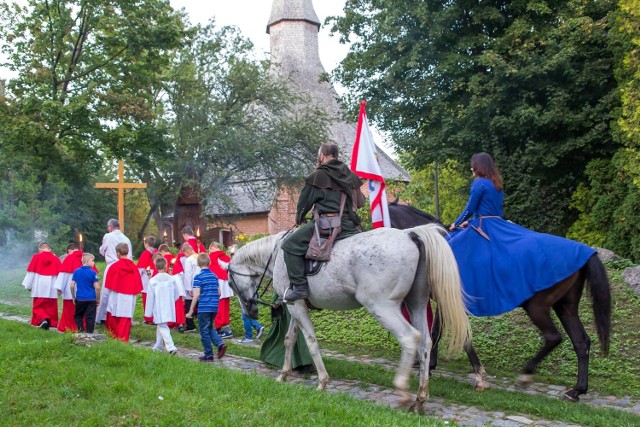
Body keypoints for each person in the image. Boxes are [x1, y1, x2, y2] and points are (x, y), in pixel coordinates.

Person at [447, 152, 596, 316]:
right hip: (496, 223)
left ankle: (461, 295)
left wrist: (457, 223)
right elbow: (492, 210)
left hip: (485, 225)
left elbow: (471, 207)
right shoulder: (496, 183)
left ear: (478, 166)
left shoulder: (479, 183)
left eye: (473, 165)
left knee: (452, 245)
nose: (471, 168)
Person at [281, 142, 365, 303]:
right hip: (350, 226)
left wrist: (299, 218)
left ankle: (299, 287)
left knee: (289, 245)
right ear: (336, 155)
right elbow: (360, 203)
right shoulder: (351, 175)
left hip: (326, 225)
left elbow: (304, 203)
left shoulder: (318, 175)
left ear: (322, 156)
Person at [187, 253, 227, 362]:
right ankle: (220, 344)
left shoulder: (198, 277)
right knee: (209, 327)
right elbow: (219, 292)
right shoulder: (214, 276)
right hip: (214, 307)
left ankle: (208, 355)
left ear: (198, 264)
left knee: (204, 331)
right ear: (209, 263)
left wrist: (191, 310)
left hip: (204, 307)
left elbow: (196, 294)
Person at [259, 293, 313, 372]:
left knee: (296, 334)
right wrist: (275, 301)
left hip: (291, 305)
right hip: (288, 306)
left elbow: (283, 288)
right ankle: (276, 358)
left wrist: (276, 301)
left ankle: (302, 363)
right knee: (285, 333)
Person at [103, 242, 143, 342]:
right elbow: (137, 284)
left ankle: (114, 338)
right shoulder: (134, 267)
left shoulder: (113, 267)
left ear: (118, 254)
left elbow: (108, 286)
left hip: (116, 295)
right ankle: (124, 339)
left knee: (115, 317)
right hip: (129, 297)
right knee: (125, 318)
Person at [96, 219, 133, 323]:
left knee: (107, 292)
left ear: (110, 227)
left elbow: (102, 250)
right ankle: (121, 314)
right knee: (121, 291)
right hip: (125, 266)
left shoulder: (108, 236)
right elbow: (129, 255)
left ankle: (103, 316)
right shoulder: (126, 239)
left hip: (112, 265)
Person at [145, 257, 183, 354]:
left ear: (155, 267)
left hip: (158, 306)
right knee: (161, 325)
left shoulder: (152, 281)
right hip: (168, 305)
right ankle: (158, 346)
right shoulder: (171, 279)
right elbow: (176, 293)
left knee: (162, 325)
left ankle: (171, 347)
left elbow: (150, 297)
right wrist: (171, 301)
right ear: (166, 266)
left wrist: (148, 312)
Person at [22, 242, 61, 329]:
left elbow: (31, 272)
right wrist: (59, 288)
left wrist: (28, 285)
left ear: (40, 249)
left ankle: (43, 320)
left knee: (38, 305)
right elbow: (60, 274)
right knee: (51, 305)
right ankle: (52, 322)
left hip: (39, 284)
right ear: (49, 249)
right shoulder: (56, 258)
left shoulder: (36, 257)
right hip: (52, 285)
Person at [54, 243, 84, 332]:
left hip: (70, 288)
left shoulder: (69, 258)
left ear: (69, 250)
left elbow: (63, 274)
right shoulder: (86, 257)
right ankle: (81, 327)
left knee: (69, 309)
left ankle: (68, 327)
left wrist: (59, 288)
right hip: (83, 289)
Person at [70, 253, 100, 333]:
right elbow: (97, 287)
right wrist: (98, 298)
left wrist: (73, 297)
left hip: (80, 298)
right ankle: (90, 333)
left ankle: (80, 330)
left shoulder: (76, 272)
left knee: (78, 315)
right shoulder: (93, 273)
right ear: (87, 261)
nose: (94, 263)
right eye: (92, 260)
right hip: (91, 298)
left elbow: (72, 286)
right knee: (90, 317)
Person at [159, 244, 186, 332]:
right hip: (178, 283)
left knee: (171, 304)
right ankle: (180, 323)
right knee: (179, 305)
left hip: (170, 284)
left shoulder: (164, 260)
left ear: (162, 252)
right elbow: (181, 273)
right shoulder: (175, 258)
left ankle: (172, 322)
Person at [209, 241, 233, 338]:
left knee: (217, 306)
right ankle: (227, 328)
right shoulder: (226, 257)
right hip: (226, 282)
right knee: (225, 305)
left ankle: (218, 328)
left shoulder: (211, 257)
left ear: (212, 248)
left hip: (217, 283)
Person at [137, 235, 158, 324]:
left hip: (147, 275)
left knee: (146, 297)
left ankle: (148, 318)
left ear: (146, 244)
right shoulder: (156, 252)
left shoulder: (145, 253)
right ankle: (155, 316)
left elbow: (140, 268)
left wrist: (137, 277)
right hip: (156, 274)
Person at [181, 243, 200, 332]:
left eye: (185, 254)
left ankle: (190, 325)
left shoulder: (189, 260)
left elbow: (188, 275)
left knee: (189, 304)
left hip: (193, 285)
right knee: (200, 304)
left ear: (187, 251)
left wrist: (188, 288)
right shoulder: (200, 257)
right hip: (201, 283)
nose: (185, 255)